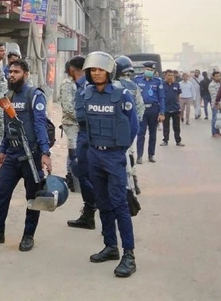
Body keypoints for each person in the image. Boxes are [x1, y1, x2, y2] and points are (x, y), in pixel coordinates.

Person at [0, 60, 52, 252]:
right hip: (12, 154)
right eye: (10, 72)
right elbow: (7, 127)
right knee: (1, 193)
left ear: (26, 74)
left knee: (33, 197)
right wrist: (2, 149)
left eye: (16, 72)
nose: (12, 75)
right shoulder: (8, 96)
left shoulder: (35, 96)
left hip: (31, 155)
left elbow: (40, 125)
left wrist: (45, 153)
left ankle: (28, 236)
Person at [81, 52, 139, 278]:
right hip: (94, 155)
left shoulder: (122, 94)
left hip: (114, 156)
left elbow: (133, 126)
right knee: (102, 202)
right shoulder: (87, 95)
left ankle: (129, 255)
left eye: (100, 69)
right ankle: (110, 246)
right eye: (93, 70)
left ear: (109, 72)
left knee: (119, 204)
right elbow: (86, 126)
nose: (96, 73)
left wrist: (119, 152)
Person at [67, 58, 97, 230]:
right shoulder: (84, 85)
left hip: (87, 134)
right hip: (85, 133)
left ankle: (93, 208)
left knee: (83, 173)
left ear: (72, 69)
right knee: (86, 174)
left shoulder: (86, 86)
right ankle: (90, 212)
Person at [114, 56, 144, 195]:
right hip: (131, 128)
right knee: (131, 155)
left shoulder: (113, 85)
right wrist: (134, 123)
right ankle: (135, 184)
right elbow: (140, 107)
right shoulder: (133, 86)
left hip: (116, 129)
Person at [60, 56, 85, 190]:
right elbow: (68, 107)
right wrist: (82, 118)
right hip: (71, 124)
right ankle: (72, 178)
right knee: (73, 152)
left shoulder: (83, 84)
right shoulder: (66, 84)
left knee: (80, 151)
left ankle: (78, 177)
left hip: (81, 124)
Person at [134, 61, 165, 163]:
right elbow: (133, 96)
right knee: (141, 133)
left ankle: (151, 155)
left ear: (154, 71)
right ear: (144, 69)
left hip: (153, 109)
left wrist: (162, 113)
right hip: (141, 109)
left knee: (153, 134)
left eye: (151, 70)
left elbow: (161, 97)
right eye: (148, 70)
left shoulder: (157, 81)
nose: (149, 72)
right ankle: (139, 156)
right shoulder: (137, 80)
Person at [161, 70, 184, 147]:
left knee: (177, 126)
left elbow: (178, 96)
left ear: (174, 76)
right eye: (168, 75)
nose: (170, 77)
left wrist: (179, 107)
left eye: (171, 75)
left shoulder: (177, 85)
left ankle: (178, 141)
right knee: (166, 126)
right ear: (165, 76)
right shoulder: (162, 85)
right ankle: (165, 140)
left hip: (175, 109)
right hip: (165, 109)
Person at [208, 71, 221, 137]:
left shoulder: (220, 83)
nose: (218, 77)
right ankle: (214, 133)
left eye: (219, 76)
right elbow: (214, 95)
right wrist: (217, 104)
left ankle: (218, 132)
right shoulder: (212, 85)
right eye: (217, 76)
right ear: (213, 77)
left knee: (219, 119)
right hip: (215, 104)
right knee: (215, 118)